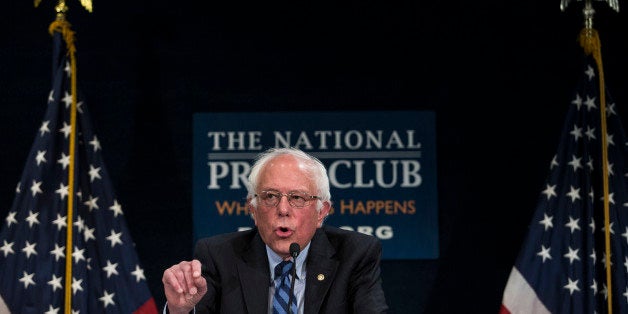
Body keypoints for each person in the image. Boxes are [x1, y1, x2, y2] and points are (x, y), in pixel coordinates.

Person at [162, 147, 388, 313]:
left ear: (321, 212)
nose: (283, 209)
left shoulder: (355, 254)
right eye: (270, 196)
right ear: (253, 209)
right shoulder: (218, 256)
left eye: (297, 198)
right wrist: (179, 310)